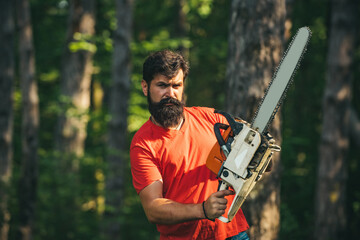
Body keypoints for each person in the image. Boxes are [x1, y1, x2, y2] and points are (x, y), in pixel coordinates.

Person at [130, 50, 250, 240]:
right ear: (145, 87)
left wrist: (259, 154)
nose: (170, 93)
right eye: (162, 86)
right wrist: (202, 209)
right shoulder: (143, 144)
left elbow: (262, 162)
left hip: (232, 233)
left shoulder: (213, 119)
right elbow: (153, 209)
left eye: (176, 85)